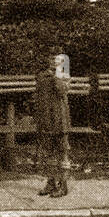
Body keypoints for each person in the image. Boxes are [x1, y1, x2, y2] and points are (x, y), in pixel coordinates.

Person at [34, 50, 72, 198]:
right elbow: (39, 98)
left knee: (62, 152)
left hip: (60, 120)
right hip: (47, 119)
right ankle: (51, 183)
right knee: (48, 153)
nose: (53, 62)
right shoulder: (42, 76)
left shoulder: (64, 76)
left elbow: (62, 91)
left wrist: (58, 74)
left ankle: (63, 185)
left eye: (56, 60)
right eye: (51, 59)